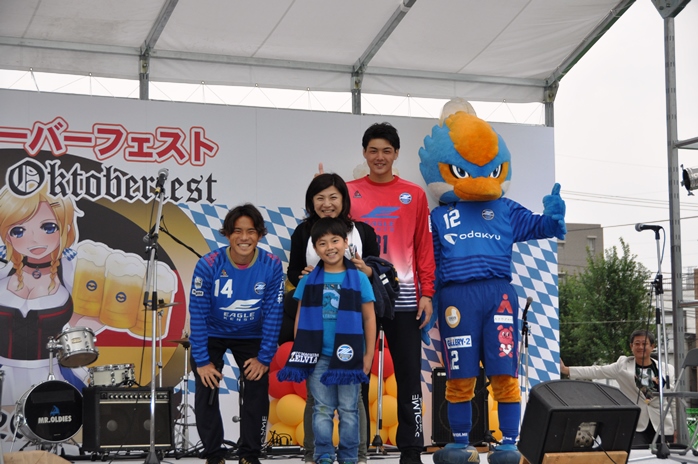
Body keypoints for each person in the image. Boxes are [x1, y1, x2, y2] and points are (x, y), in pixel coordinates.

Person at [346, 122, 436, 464]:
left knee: (409, 375)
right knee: (356, 372)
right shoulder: (348, 192)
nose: (379, 157)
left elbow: (423, 246)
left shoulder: (414, 195)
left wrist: (427, 293)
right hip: (359, 295)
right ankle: (356, 446)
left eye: (386, 150)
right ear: (364, 153)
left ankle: (411, 449)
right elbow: (330, 236)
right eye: (373, 150)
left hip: (404, 296)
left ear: (396, 153)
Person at [284, 172, 380, 464]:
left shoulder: (359, 267)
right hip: (316, 351)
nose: (327, 203)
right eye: (320, 197)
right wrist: (300, 349)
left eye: (333, 197)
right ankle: (319, 453)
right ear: (315, 248)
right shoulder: (304, 243)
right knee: (320, 407)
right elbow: (298, 305)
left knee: (351, 407)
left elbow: (370, 314)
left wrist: (368, 353)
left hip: (350, 350)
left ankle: (353, 455)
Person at [188, 203, 284, 464]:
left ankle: (249, 454)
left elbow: (274, 312)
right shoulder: (208, 264)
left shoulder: (271, 264)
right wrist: (202, 361)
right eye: (237, 231)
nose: (244, 237)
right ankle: (214, 455)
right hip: (212, 332)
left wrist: (264, 358)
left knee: (256, 388)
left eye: (251, 231)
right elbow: (198, 313)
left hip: (251, 334)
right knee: (207, 387)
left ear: (260, 235)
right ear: (227, 234)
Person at [0, 185, 85, 405]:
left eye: (48, 227)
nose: (34, 240)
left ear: (65, 227)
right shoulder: (2, 268)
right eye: (18, 231)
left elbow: (82, 324)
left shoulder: (74, 269)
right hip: (3, 375)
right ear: (7, 235)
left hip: (49, 375)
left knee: (52, 423)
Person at [561, 329, 676, 447]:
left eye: (644, 343)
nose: (640, 347)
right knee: (637, 454)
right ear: (631, 346)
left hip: (663, 427)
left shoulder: (667, 370)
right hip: (637, 427)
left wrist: (677, 428)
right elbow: (596, 371)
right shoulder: (622, 367)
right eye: (637, 343)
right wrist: (566, 370)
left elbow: (672, 401)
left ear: (652, 346)